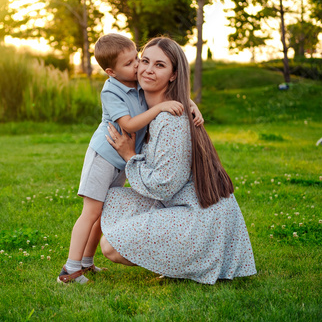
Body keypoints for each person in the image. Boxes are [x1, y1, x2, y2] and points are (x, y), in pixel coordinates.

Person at [100, 36, 256, 285]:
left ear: (173, 75)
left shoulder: (171, 120)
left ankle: (187, 263)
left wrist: (129, 156)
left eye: (160, 65)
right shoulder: (152, 106)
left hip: (201, 220)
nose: (149, 69)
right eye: (145, 61)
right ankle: (174, 259)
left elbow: (165, 185)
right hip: (178, 204)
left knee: (111, 246)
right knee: (109, 200)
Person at [57, 33, 204, 284]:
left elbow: (169, 87)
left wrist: (190, 103)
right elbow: (129, 124)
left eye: (136, 58)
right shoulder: (111, 90)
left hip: (121, 161)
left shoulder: (135, 80)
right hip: (104, 156)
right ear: (111, 72)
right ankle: (69, 270)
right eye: (130, 63)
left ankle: (87, 263)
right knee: (90, 212)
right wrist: (159, 108)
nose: (138, 66)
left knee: (103, 211)